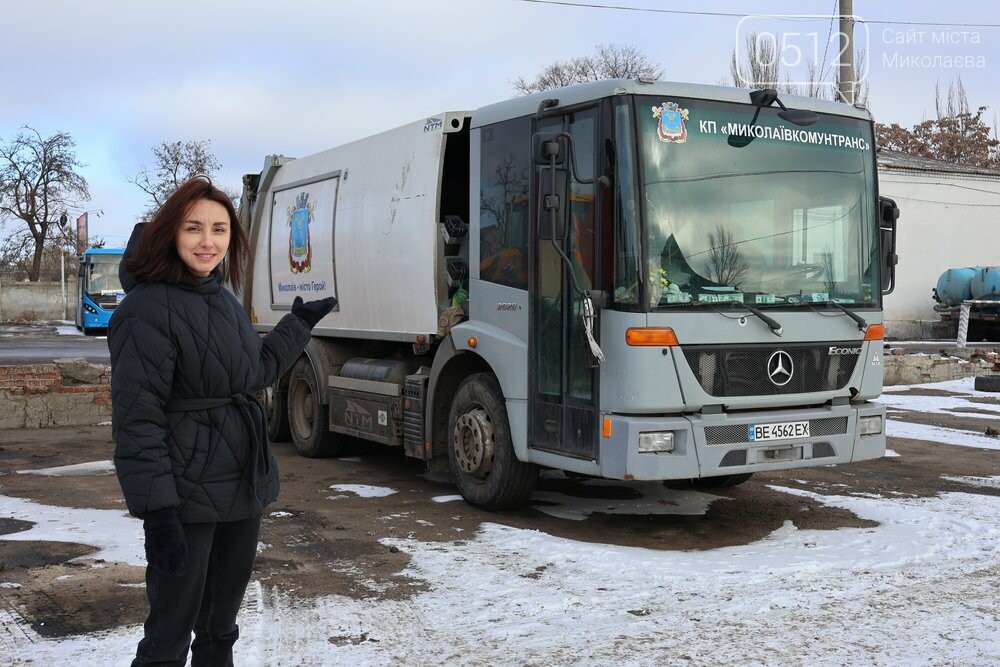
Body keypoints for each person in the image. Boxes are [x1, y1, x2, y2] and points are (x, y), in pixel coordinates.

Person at [108, 176, 336, 666]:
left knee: (219, 630)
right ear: (170, 232)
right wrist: (159, 513)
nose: (208, 241)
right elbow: (137, 422)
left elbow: (250, 372)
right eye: (193, 228)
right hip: (185, 496)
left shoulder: (221, 298)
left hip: (241, 484)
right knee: (169, 636)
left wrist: (298, 326)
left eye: (219, 229)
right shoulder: (144, 310)